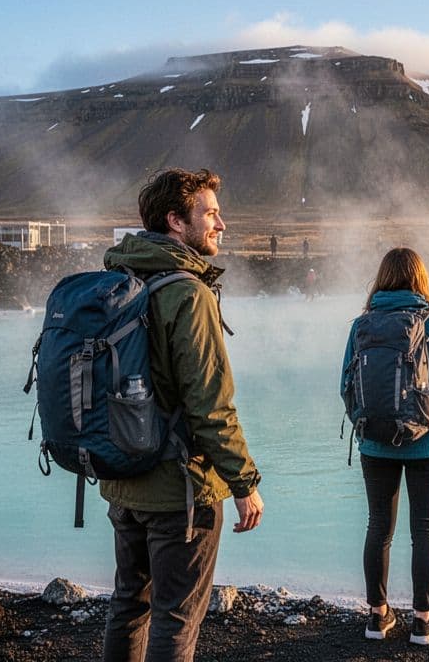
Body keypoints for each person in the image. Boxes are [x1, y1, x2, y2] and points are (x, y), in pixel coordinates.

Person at [101, 168, 264, 662]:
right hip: (181, 491)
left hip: (123, 481)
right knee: (175, 616)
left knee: (128, 605)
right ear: (176, 221)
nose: (222, 223)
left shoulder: (118, 278)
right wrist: (245, 483)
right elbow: (210, 405)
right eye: (210, 213)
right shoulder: (187, 293)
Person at [340, 247, 429, 645]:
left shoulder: (362, 324)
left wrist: (365, 426)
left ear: (382, 279)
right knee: (424, 530)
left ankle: (377, 618)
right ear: (420, 280)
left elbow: (346, 386)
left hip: (374, 444)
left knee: (378, 527)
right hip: (427, 445)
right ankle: (422, 621)